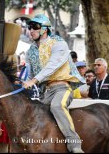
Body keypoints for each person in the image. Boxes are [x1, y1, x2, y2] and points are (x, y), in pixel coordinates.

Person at [23, 14, 85, 153]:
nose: (31, 30)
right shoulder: (30, 51)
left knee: (57, 106)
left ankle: (75, 145)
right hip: (45, 92)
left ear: (45, 29)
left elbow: (52, 66)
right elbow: (30, 74)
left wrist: (33, 80)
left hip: (63, 88)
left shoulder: (59, 43)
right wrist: (25, 82)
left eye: (35, 27)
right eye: (29, 27)